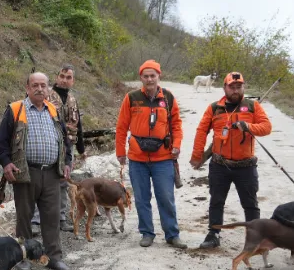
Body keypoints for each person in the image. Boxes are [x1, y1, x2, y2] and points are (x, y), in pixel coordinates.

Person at [0, 72, 72, 270]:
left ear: (48, 88)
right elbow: (2, 143)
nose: (40, 89)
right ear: (27, 88)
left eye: (44, 85)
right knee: (24, 216)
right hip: (25, 171)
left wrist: (68, 162)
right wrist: (6, 163)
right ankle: (23, 256)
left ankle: (54, 257)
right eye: (35, 85)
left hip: (52, 173)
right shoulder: (15, 109)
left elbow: (65, 141)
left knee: (52, 217)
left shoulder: (54, 111)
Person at [190, 71, 272, 249]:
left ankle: (255, 237)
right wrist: (197, 156)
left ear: (243, 87)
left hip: (246, 165)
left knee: (250, 203)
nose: (235, 90)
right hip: (220, 164)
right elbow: (201, 131)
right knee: (216, 200)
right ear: (224, 88)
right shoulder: (214, 108)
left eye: (239, 87)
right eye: (231, 87)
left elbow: (266, 127)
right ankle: (213, 234)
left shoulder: (253, 106)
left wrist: (249, 126)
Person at [115, 60, 187, 249]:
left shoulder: (169, 98)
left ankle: (172, 234)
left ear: (158, 76)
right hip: (137, 158)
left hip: (163, 158)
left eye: (152, 75)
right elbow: (122, 127)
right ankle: (147, 233)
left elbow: (177, 125)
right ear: (141, 78)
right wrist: (120, 151)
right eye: (145, 76)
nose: (149, 79)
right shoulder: (131, 98)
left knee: (166, 197)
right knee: (141, 198)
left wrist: (177, 145)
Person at [30, 64, 85, 234]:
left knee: (63, 183)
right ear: (56, 77)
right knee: (40, 183)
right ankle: (35, 222)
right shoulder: (45, 96)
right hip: (49, 146)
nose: (64, 80)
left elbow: (78, 125)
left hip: (67, 149)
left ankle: (61, 219)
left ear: (73, 81)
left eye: (68, 77)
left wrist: (81, 150)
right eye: (62, 76)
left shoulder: (72, 100)